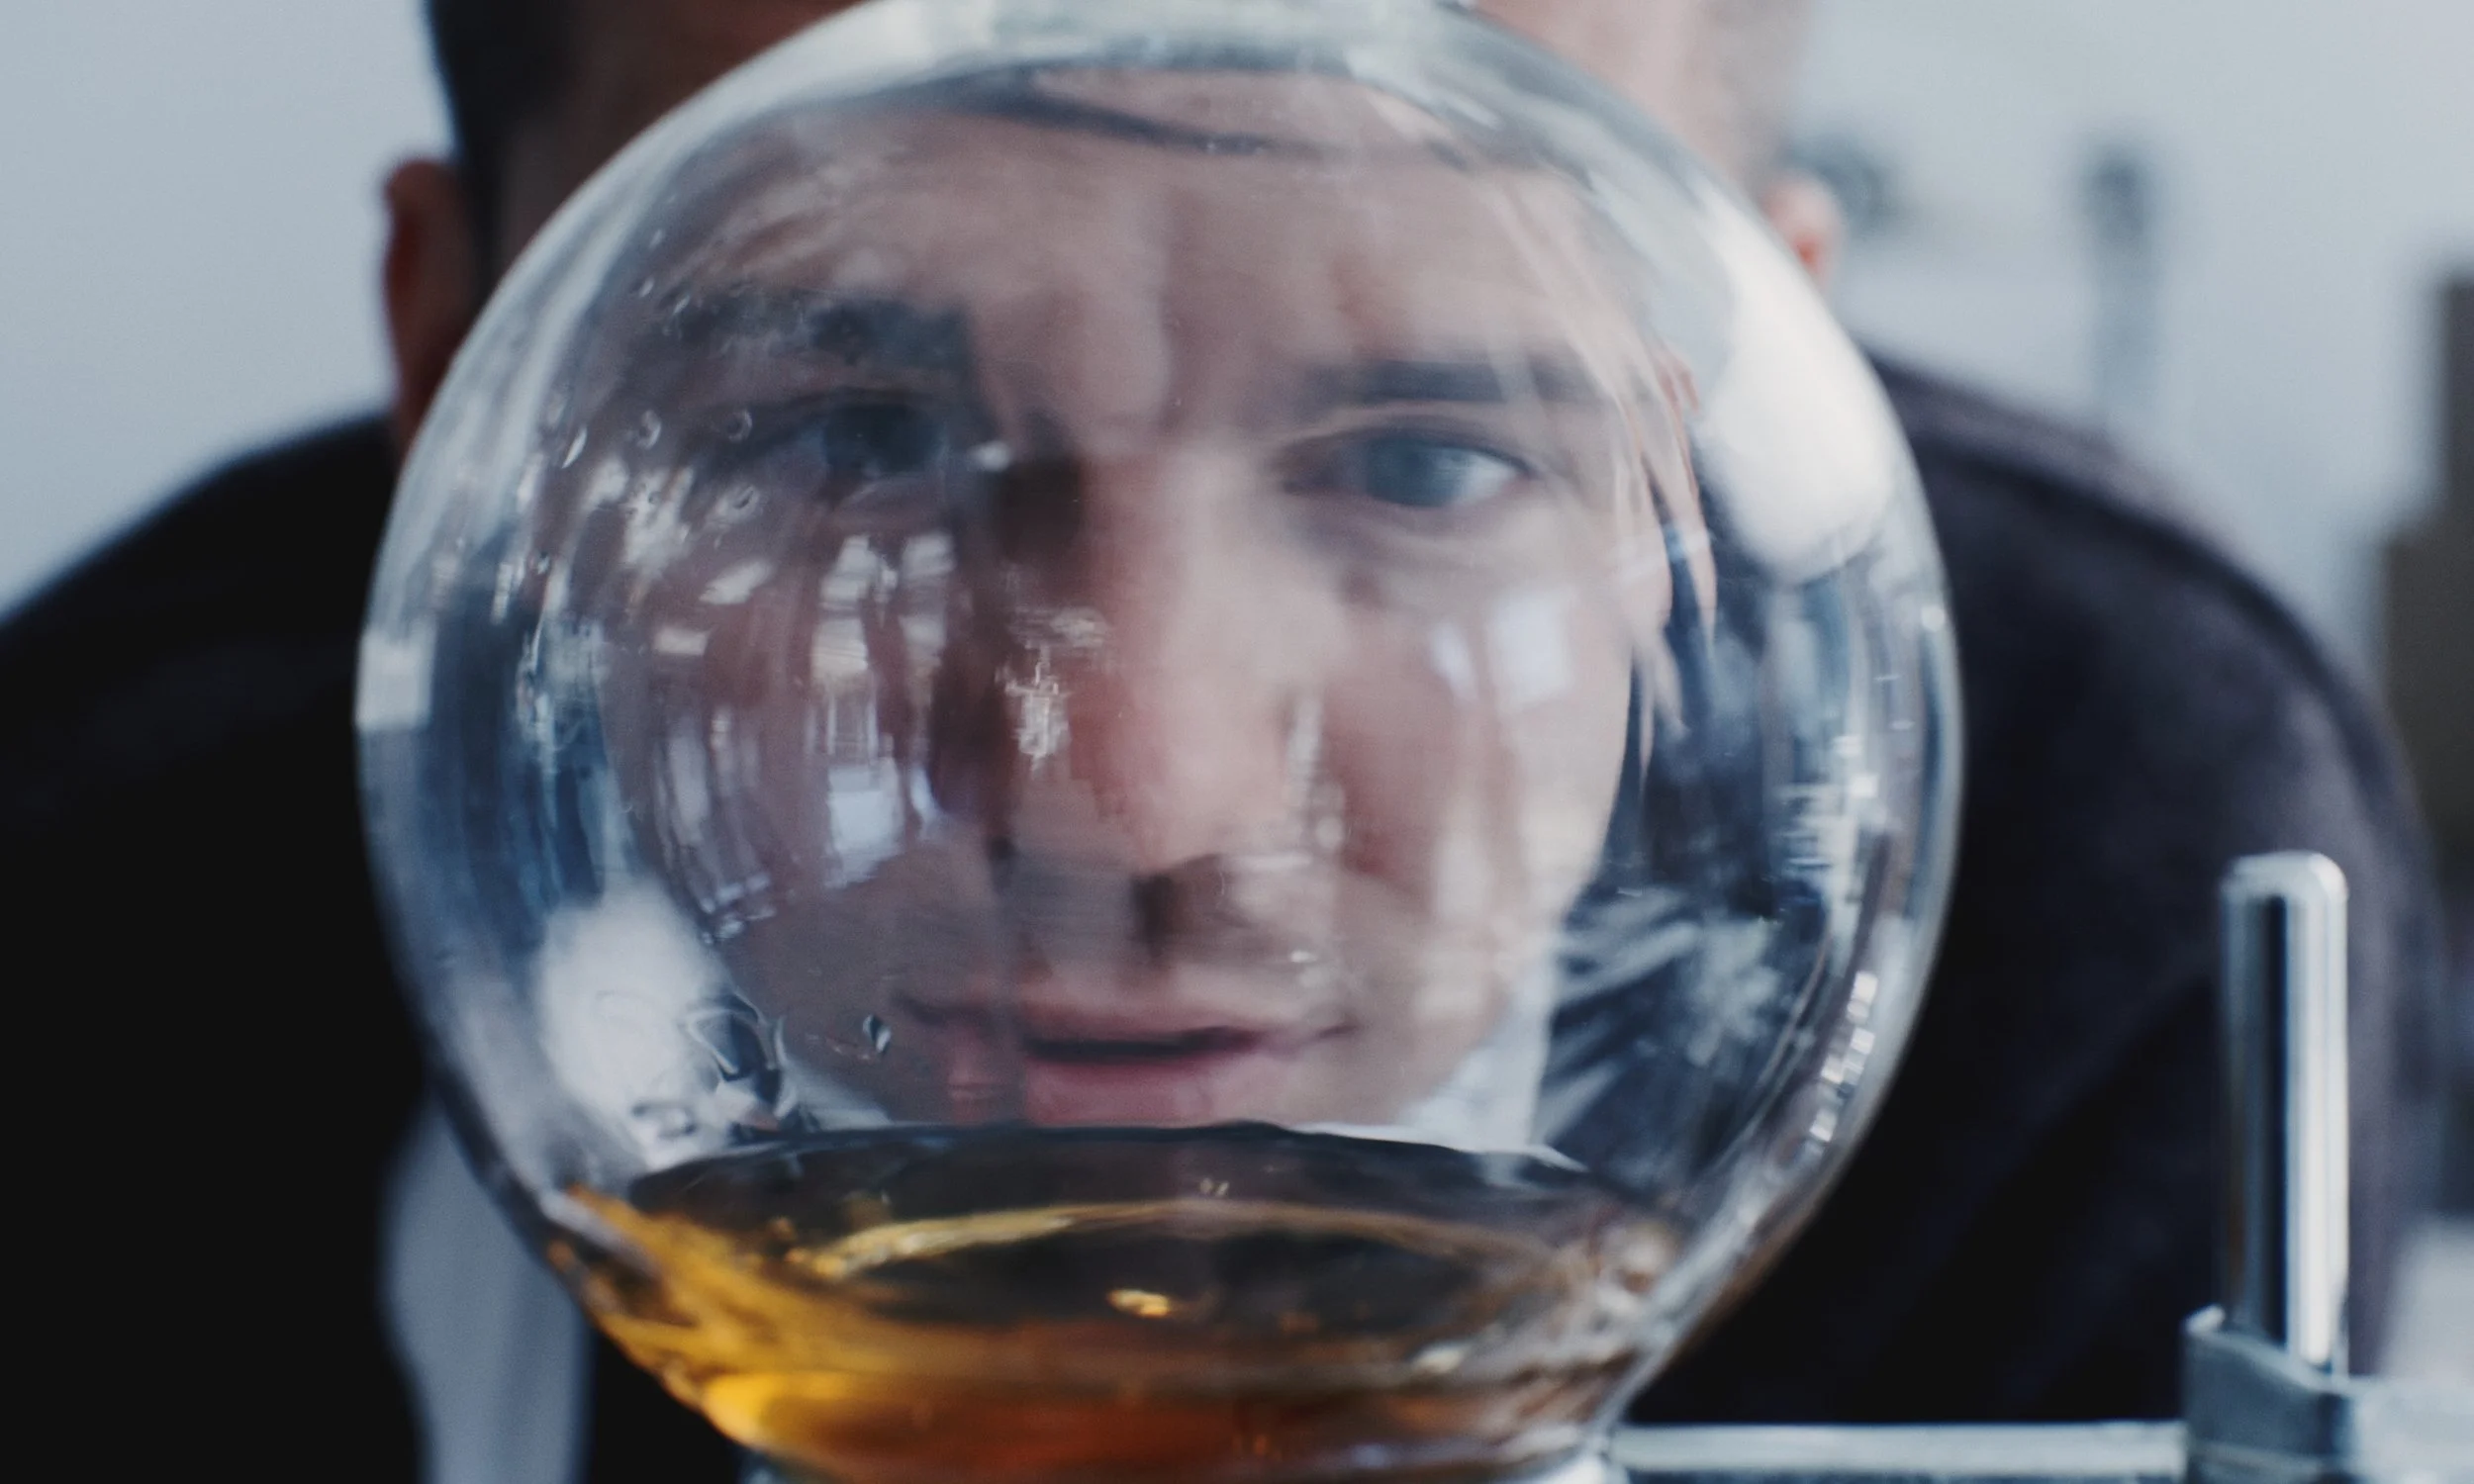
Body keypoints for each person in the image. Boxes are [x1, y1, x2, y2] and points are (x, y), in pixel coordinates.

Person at [0, 1, 2438, 1479]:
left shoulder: (2089, 889)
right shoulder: (97, 917)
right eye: (843, 434)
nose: (1128, 794)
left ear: (1715, 407)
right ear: (449, 366)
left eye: (1420, 460)